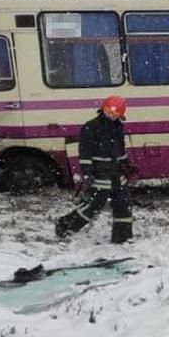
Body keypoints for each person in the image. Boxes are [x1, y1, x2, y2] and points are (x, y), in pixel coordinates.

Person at [55, 96, 133, 243]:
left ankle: (122, 237)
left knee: (123, 204)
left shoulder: (118, 128)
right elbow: (85, 153)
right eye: (108, 111)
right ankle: (65, 226)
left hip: (117, 172)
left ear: (120, 115)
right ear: (102, 109)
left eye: (114, 113)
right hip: (100, 173)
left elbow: (120, 149)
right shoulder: (91, 127)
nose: (111, 115)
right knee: (94, 204)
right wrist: (87, 173)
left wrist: (125, 164)